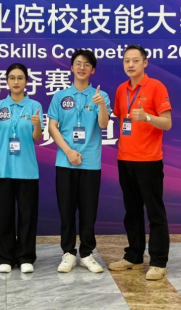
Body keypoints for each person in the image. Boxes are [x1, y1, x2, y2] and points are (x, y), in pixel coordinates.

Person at [108, 44, 172, 281]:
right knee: (132, 212)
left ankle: (158, 262)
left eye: (135, 60)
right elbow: (121, 118)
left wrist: (146, 117)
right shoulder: (121, 89)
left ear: (145, 63)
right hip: (125, 159)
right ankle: (134, 256)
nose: (130, 65)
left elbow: (167, 123)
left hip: (149, 161)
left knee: (155, 213)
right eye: (127, 60)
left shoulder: (156, 86)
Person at [48, 49, 111, 274]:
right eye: (78, 63)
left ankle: (86, 254)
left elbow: (103, 124)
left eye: (86, 64)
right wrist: (68, 151)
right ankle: (68, 253)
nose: (82, 67)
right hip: (65, 161)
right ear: (72, 67)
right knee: (66, 210)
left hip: (90, 162)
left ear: (92, 70)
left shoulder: (100, 96)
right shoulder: (60, 96)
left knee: (88, 211)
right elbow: (52, 127)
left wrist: (100, 105)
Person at [0, 63, 43, 274]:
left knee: (28, 216)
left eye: (20, 78)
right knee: (4, 215)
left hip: (27, 170)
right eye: (12, 78)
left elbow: (36, 137)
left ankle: (26, 256)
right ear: (7, 81)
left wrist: (37, 124)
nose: (16, 82)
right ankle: (6, 257)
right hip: (3, 170)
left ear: (26, 81)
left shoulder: (34, 105)